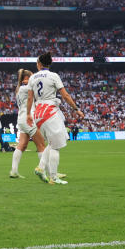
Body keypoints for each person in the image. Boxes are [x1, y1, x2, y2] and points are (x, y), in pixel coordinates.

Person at [27, 53, 84, 185]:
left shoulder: (32, 77)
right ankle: (54, 177)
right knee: (56, 147)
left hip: (37, 113)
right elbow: (65, 95)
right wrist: (76, 109)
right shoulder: (53, 76)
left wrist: (28, 115)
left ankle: (41, 168)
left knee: (52, 143)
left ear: (40, 64)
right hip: (50, 111)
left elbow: (30, 98)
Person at [10, 69, 47, 179]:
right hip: (28, 118)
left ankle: (14, 171)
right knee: (41, 145)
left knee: (22, 145)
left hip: (21, 119)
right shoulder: (27, 88)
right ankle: (50, 172)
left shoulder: (19, 89)